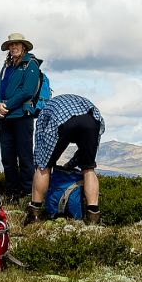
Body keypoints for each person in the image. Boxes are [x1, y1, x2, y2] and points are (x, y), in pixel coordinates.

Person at [27, 93, 103, 226]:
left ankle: (35, 215)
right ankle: (93, 217)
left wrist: (41, 164)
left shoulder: (44, 112)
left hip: (62, 120)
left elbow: (40, 149)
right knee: (88, 168)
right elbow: (85, 150)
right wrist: (71, 164)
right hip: (92, 120)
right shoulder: (77, 101)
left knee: (44, 167)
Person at [0, 33, 45, 203]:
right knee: (7, 156)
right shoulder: (7, 67)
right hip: (5, 117)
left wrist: (6, 106)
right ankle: (12, 192)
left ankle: (28, 192)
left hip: (22, 115)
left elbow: (27, 91)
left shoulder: (31, 65)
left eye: (17, 44)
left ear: (24, 47)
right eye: (11, 45)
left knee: (25, 155)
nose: (13, 47)